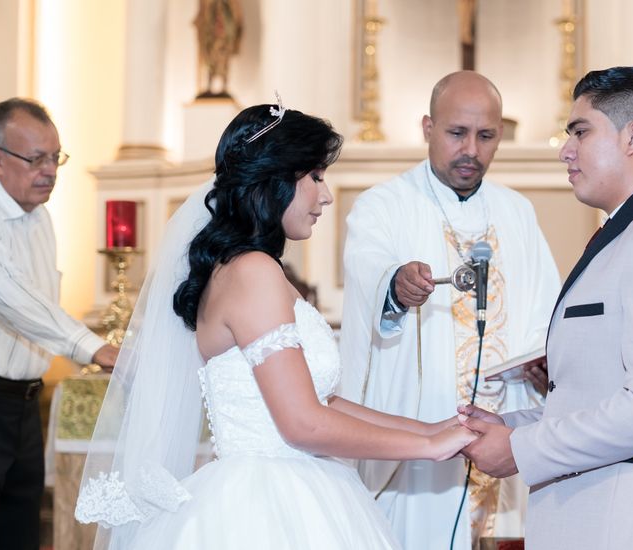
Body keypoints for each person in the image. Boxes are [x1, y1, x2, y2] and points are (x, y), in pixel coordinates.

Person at [74, 101, 476, 550]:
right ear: (276, 180)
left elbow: (323, 400)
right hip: (266, 503)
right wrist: (427, 449)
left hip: (288, 481)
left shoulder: (248, 270)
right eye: (316, 177)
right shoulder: (253, 272)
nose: (325, 196)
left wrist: (428, 429)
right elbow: (302, 423)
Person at [459, 66, 633, 550]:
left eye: (581, 132)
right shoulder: (626, 236)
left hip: (632, 526)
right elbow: (595, 396)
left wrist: (521, 449)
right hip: (594, 518)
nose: (565, 149)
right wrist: (513, 426)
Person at [339, 71, 561, 549]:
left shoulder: (517, 212)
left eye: (485, 136)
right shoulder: (384, 206)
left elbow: (547, 312)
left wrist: (549, 364)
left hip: (505, 434)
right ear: (427, 128)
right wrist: (395, 288)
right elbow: (368, 274)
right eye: (456, 133)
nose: (471, 151)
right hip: (417, 450)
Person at [0, 98, 118, 550]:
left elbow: (38, 303)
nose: (50, 170)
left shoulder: (42, 219)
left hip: (24, 404)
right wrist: (92, 347)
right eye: (35, 158)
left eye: (55, 157)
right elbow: (9, 296)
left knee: (20, 532)